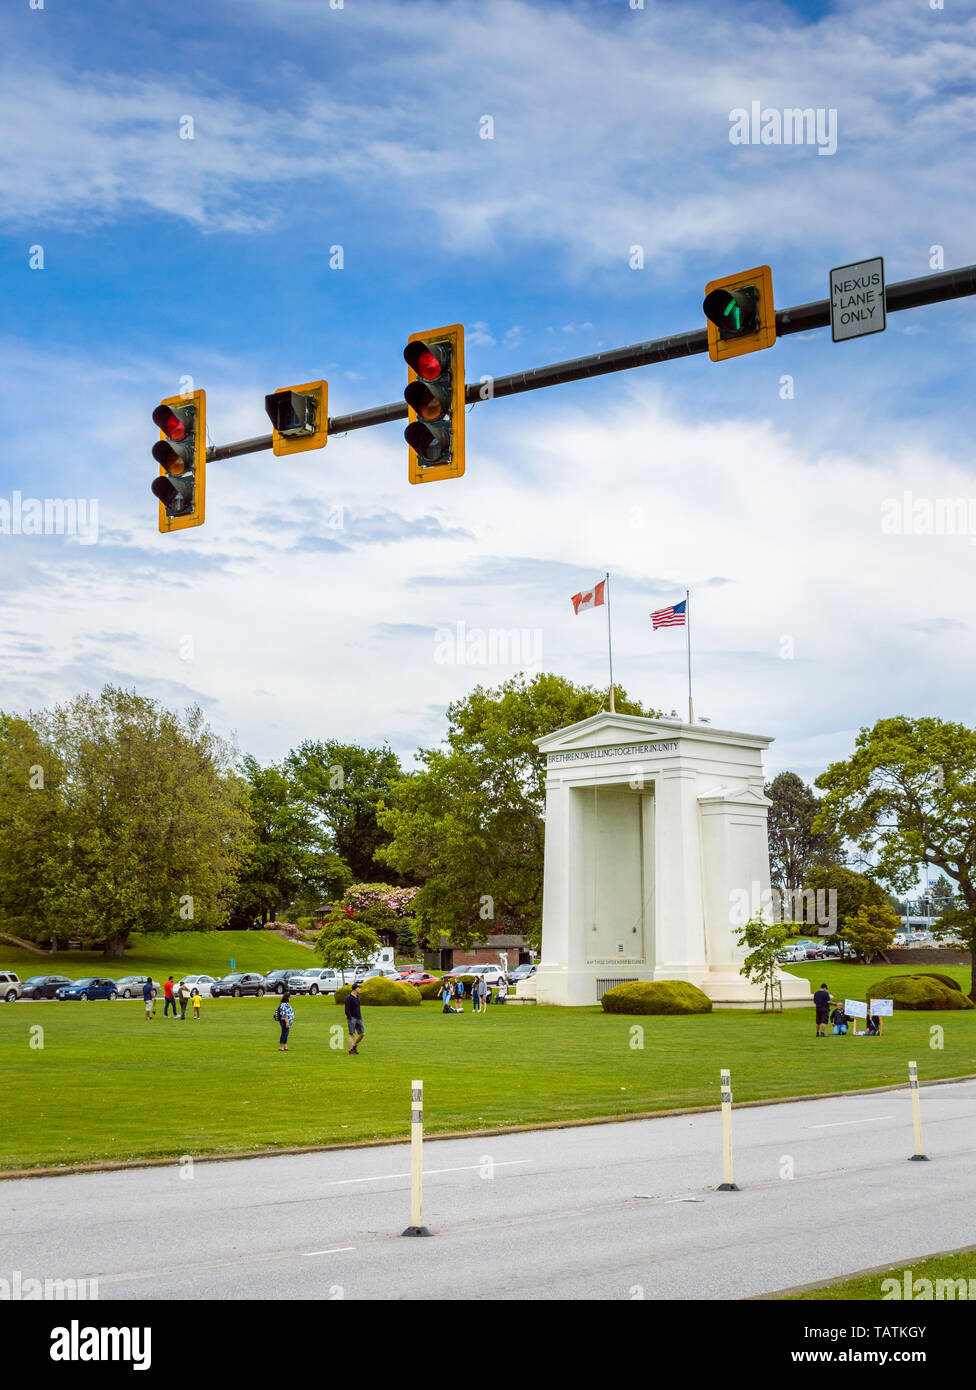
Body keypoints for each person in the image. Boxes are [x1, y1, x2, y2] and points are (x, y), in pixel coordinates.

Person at [345, 980, 365, 1054]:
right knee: (352, 1035)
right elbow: (346, 1010)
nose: (360, 989)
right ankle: (351, 1050)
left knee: (362, 1034)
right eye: (359, 988)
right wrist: (350, 1018)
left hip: (359, 1018)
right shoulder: (349, 998)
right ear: (355, 989)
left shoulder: (357, 996)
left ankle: (354, 1046)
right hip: (352, 1018)